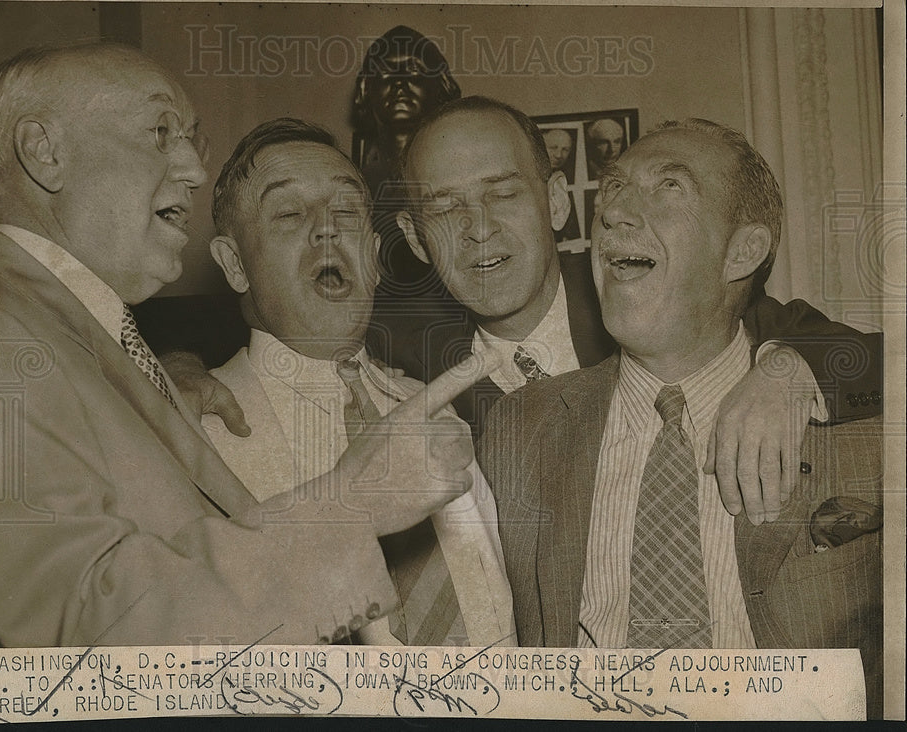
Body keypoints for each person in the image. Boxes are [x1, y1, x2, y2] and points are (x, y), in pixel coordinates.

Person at [0, 43, 486, 717]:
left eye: (192, 139)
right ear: (45, 152)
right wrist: (349, 505)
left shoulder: (76, 335)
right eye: (161, 133)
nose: (192, 167)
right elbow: (77, 649)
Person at [477, 119, 883, 717]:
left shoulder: (855, 426)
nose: (614, 214)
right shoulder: (519, 430)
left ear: (742, 251)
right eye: (612, 188)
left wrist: (795, 370)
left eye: (669, 188)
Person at [385, 96, 882, 524]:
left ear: (557, 202)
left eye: (504, 193)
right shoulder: (407, 370)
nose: (479, 228)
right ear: (415, 238)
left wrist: (786, 371)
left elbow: (875, 360)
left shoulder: (650, 287)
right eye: (446, 208)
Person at [202, 118, 514, 648]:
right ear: (235, 265)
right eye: (289, 212)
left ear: (372, 258)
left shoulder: (434, 408)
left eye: (345, 210)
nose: (326, 228)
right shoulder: (196, 432)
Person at [352, 25, 462, 302]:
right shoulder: (349, 190)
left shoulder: (466, 180)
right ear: (366, 89)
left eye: (413, 71)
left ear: (440, 86)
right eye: (386, 72)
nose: (399, 83)